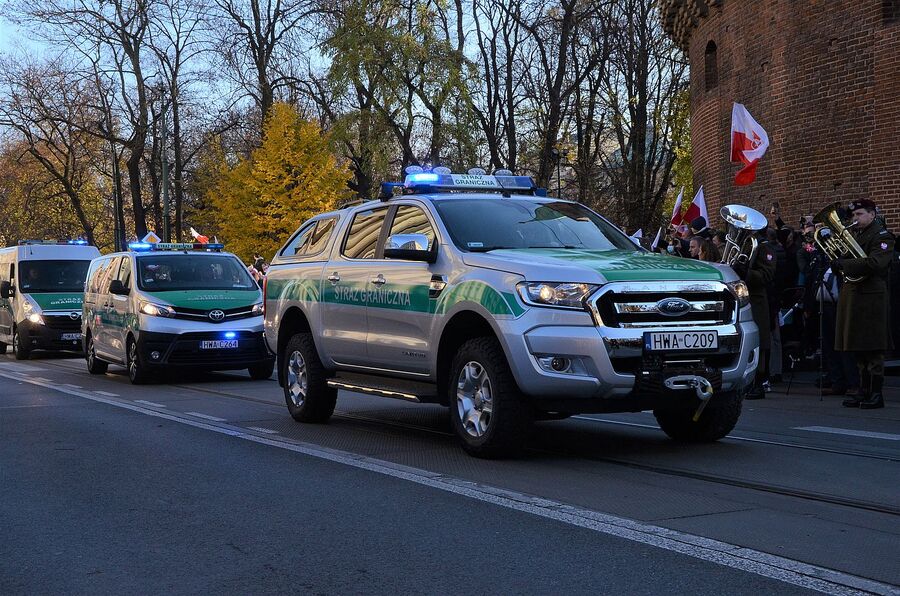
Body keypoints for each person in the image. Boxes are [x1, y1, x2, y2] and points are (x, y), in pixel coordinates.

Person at [833, 199, 895, 409]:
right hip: (854, 295)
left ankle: (876, 393)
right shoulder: (856, 236)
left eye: (859, 214)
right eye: (853, 215)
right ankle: (863, 390)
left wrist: (844, 264)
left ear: (872, 214)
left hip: (871, 297)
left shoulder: (882, 236)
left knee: (873, 346)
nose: (854, 219)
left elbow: (877, 263)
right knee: (858, 345)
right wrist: (838, 262)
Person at [733, 228, 776, 400]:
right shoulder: (741, 245)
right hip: (739, 298)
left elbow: (767, 274)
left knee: (758, 341)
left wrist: (746, 272)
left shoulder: (764, 247)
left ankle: (758, 382)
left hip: (756, 301)